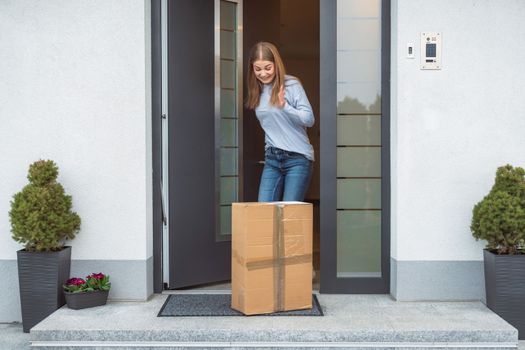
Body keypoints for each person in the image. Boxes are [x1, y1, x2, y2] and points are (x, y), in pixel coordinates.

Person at [246, 42, 315, 202]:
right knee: (264, 213)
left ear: (276, 64)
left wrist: (285, 106)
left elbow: (309, 119)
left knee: (289, 216)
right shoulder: (257, 90)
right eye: (258, 69)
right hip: (272, 159)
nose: (263, 73)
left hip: (297, 158)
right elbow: (271, 126)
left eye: (267, 68)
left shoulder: (291, 84)